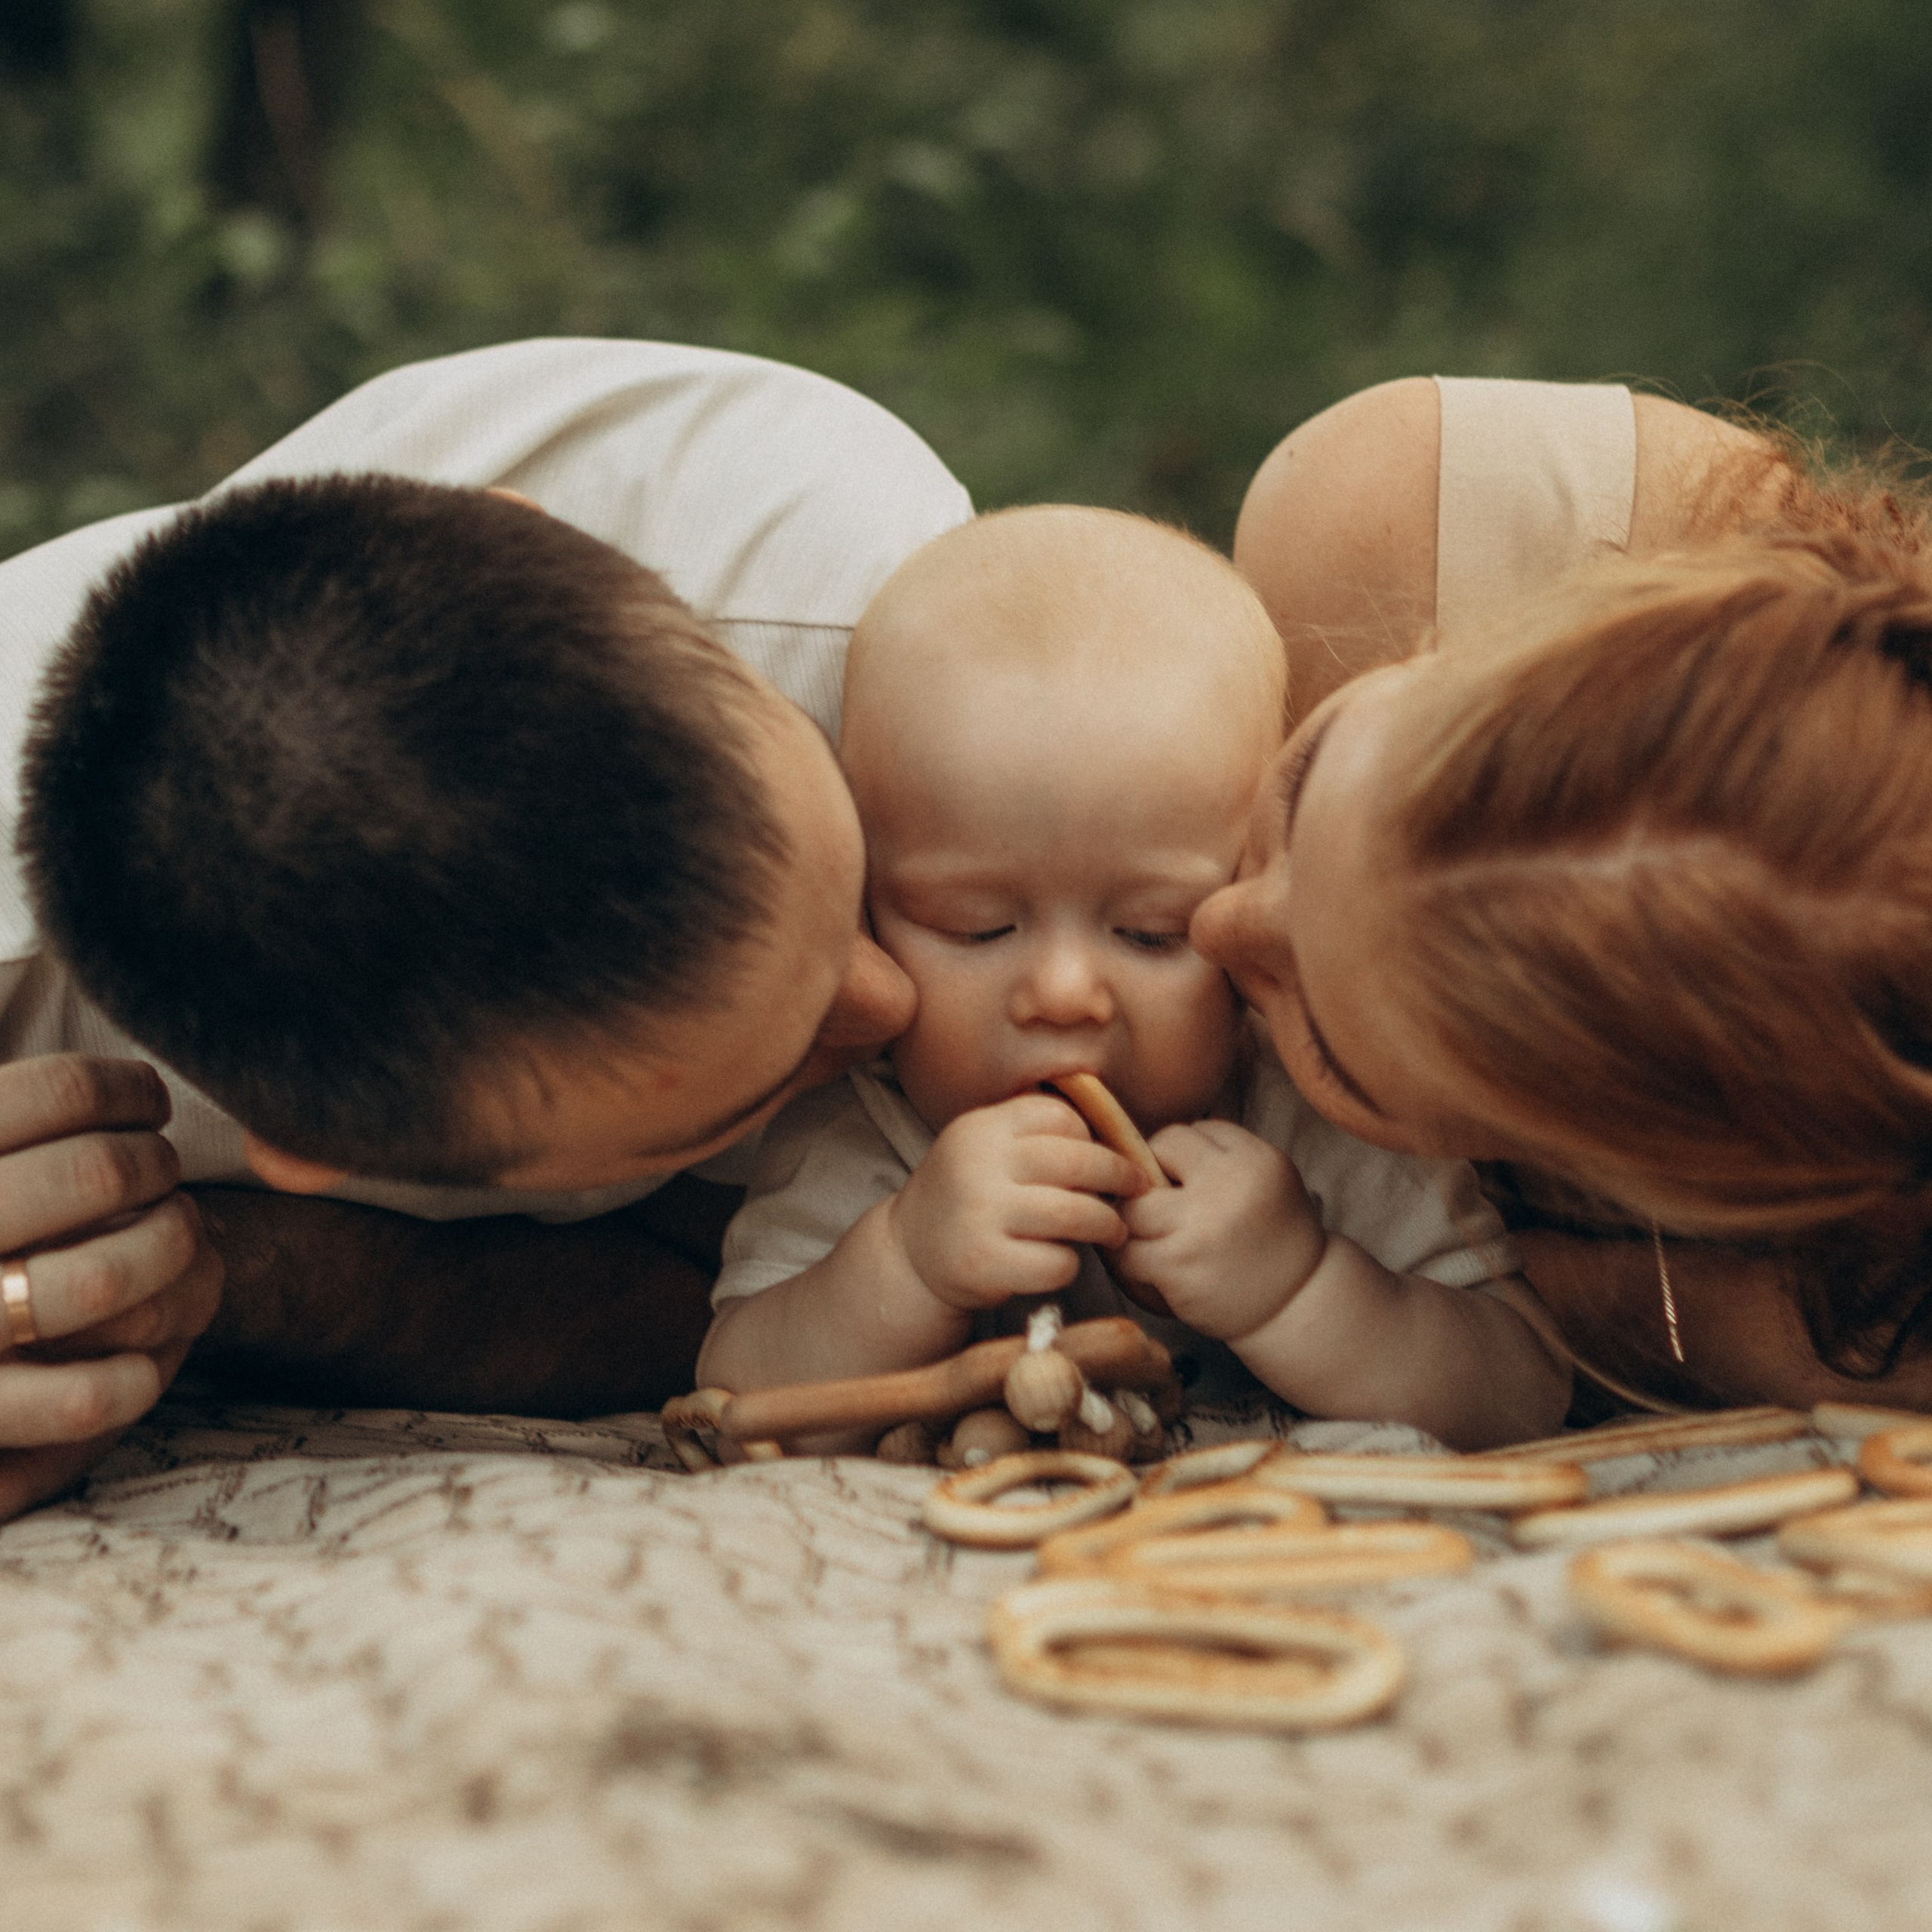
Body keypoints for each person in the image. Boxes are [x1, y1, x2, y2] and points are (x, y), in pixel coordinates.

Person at [0, 337, 973, 1519]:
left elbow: (724, 1285)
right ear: (313, 1143)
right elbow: (724, 1304)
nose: (896, 1002)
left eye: (853, 869)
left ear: (547, 534)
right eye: (752, 1090)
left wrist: (234, 1268)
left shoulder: (888, 618)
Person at [697, 506, 1570, 1451]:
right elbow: (736, 1399)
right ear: (868, 899)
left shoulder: (1312, 1112)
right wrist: (906, 1262)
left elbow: (1521, 1391)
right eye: (976, 925)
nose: (1066, 992)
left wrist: (1302, 1283)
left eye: (1152, 934)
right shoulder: (868, 1133)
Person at [1198, 374, 1932, 1414]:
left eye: (1333, 1053)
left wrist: (1710, 1322)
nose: (1211, 924)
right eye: (1308, 767)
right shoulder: (1397, 520)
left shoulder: (1842, 1284)